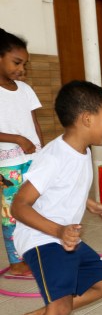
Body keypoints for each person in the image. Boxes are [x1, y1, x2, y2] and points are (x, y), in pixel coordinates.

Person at [0, 81, 102, 315]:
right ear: (87, 119)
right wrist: (58, 230)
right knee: (61, 307)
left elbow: (66, 188)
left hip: (63, 235)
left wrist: (90, 205)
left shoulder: (82, 150)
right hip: (41, 237)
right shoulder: (53, 156)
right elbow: (19, 206)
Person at [0, 28, 44, 279]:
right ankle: (16, 263)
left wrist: (42, 152)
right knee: (11, 213)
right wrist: (17, 139)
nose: (22, 69)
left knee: (36, 208)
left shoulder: (25, 90)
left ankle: (34, 252)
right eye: (16, 62)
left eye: (24, 64)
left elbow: (35, 124)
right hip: (7, 166)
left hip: (32, 159)